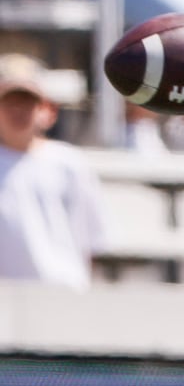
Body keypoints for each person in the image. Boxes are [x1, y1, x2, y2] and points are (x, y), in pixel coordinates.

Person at [0, 53, 105, 291]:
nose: (18, 112)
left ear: (47, 110)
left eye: (27, 103)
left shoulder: (69, 163)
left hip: (61, 291)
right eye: (9, 103)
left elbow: (90, 240)